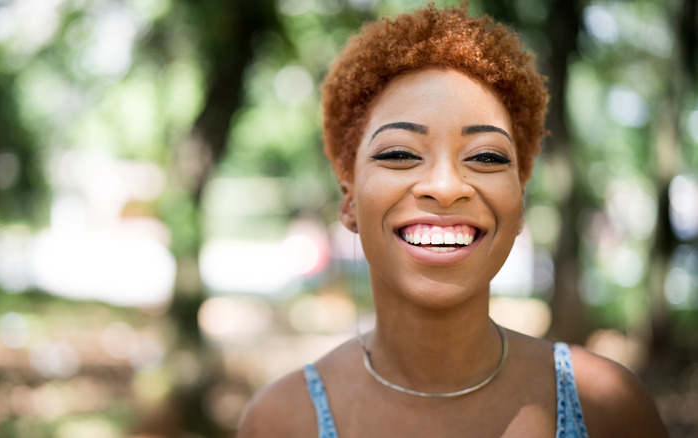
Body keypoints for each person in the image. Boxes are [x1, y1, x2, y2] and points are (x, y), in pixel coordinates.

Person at [236, 4, 668, 437]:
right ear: (349, 203)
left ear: (519, 203)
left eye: (485, 157)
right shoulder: (281, 420)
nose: (445, 187)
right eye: (400, 154)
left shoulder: (608, 407)